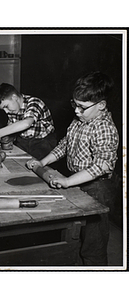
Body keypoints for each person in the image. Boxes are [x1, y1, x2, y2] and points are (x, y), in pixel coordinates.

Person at [27, 72, 119, 266]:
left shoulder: (104, 128)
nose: (76, 111)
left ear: (101, 105)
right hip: (78, 180)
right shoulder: (79, 122)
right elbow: (64, 146)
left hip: (98, 187)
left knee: (94, 242)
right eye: (74, 104)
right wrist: (43, 163)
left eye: (82, 107)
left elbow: (103, 165)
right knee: (76, 235)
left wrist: (68, 181)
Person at [0, 83, 57, 159]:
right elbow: (11, 126)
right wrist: (7, 138)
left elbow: (26, 123)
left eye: (6, 106)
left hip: (43, 142)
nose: (6, 111)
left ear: (14, 97)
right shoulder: (12, 109)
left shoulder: (34, 102)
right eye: (3, 109)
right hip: (23, 141)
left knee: (34, 164)